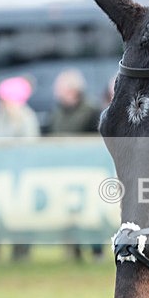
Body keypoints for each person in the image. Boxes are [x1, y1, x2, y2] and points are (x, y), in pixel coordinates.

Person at [49, 69, 104, 262]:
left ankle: (96, 251)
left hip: (87, 172)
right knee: (69, 214)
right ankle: (75, 250)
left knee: (91, 213)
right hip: (64, 170)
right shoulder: (57, 112)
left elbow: (96, 141)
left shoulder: (92, 111)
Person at [0, 76, 41, 261]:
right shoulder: (0, 118)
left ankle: (22, 251)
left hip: (21, 175)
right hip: (3, 174)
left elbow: (30, 147)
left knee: (22, 214)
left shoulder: (26, 118)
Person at [49, 68, 101, 136]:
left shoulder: (92, 112)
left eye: (60, 88)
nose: (56, 92)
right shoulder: (56, 113)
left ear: (72, 91)